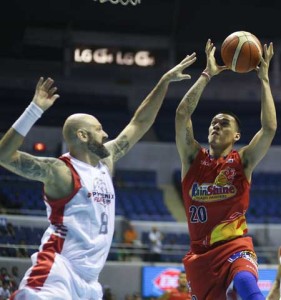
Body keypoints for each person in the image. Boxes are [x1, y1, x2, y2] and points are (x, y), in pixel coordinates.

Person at [0, 53, 196, 300]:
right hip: (57, 272)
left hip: (90, 283)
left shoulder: (106, 161)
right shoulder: (60, 171)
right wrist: (34, 109)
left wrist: (164, 82)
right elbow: (5, 156)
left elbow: (140, 122)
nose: (105, 135)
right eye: (98, 130)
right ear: (82, 136)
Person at [175, 39, 276, 300]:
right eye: (213, 123)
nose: (216, 126)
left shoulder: (242, 162)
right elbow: (182, 114)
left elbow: (269, 129)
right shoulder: (191, 159)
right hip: (201, 256)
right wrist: (207, 74)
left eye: (224, 123)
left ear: (237, 135)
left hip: (236, 246)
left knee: (246, 283)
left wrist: (264, 80)